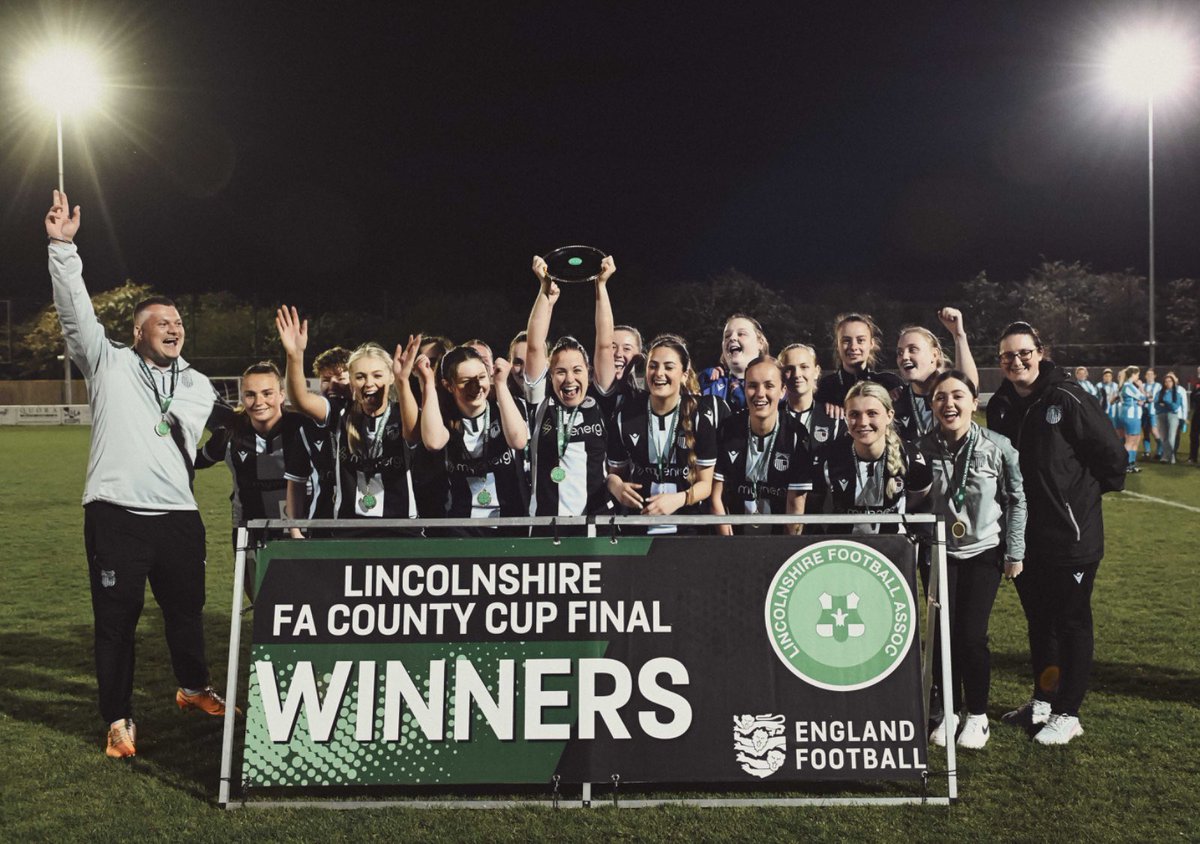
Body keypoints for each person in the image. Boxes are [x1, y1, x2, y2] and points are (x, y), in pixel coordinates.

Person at [45, 190, 233, 759]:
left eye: (178, 322)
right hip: (116, 515)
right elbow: (76, 315)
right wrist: (62, 249)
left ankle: (193, 688)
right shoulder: (108, 364)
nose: (174, 329)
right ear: (139, 331)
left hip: (179, 516)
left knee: (185, 614)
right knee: (116, 624)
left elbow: (210, 442)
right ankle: (119, 721)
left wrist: (220, 450)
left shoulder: (198, 384)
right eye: (162, 323)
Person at [986, 321, 1125, 745]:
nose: (1017, 361)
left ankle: (1069, 712)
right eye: (1008, 355)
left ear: (1040, 352)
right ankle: (1044, 699)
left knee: (1071, 623)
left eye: (1024, 352)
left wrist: (1075, 500)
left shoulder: (1067, 396)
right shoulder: (1001, 405)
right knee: (1039, 622)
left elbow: (1113, 460)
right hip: (1025, 538)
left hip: (1071, 537)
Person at [919, 371, 1026, 750]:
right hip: (937, 553)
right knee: (941, 636)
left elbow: (1016, 500)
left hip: (983, 551)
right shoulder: (922, 448)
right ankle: (948, 711)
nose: (949, 403)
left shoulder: (998, 446)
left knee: (970, 635)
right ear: (932, 405)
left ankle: (977, 716)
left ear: (973, 401)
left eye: (958, 396)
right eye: (940, 397)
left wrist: (1015, 551)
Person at [277, 308, 422, 525]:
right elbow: (301, 400)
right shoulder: (340, 413)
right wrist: (294, 356)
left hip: (400, 528)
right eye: (360, 377)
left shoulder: (403, 412)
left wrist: (403, 382)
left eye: (377, 375)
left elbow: (413, 434)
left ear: (391, 377)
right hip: (349, 528)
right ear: (351, 382)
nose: (369, 383)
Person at [196, 362, 308, 597]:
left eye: (267, 393)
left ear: (281, 395)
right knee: (257, 594)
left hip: (300, 526)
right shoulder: (229, 432)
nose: (259, 402)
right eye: (250, 395)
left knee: (305, 592)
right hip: (248, 526)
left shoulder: (302, 428)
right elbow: (197, 461)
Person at [523, 254, 617, 523]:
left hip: (594, 524)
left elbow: (604, 344)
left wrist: (601, 287)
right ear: (550, 375)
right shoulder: (540, 403)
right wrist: (544, 291)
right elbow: (533, 345)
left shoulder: (600, 400)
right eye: (560, 371)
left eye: (577, 370)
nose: (569, 380)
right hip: (545, 525)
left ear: (588, 372)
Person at [606, 334, 719, 534]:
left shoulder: (700, 414)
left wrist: (678, 499)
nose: (659, 373)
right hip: (637, 528)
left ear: (684, 374)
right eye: (653, 366)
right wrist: (617, 488)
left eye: (668, 367)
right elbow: (614, 476)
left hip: (688, 529)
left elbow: (705, 485)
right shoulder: (626, 415)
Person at [413, 346, 529, 529]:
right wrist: (428, 382)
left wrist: (499, 384)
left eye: (481, 377)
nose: (476, 387)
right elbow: (434, 443)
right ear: (448, 385)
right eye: (466, 381)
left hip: (509, 523)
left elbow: (518, 441)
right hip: (461, 527)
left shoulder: (505, 407)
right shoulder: (444, 417)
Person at [812, 380, 931, 536]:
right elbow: (815, 505)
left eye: (872, 413)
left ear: (889, 416)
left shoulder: (910, 457)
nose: (863, 422)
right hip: (842, 549)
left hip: (892, 547)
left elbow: (919, 496)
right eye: (854, 414)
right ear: (846, 418)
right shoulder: (829, 456)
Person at [711, 356, 810, 535]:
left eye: (769, 386)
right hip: (733, 538)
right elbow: (716, 496)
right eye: (752, 385)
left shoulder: (797, 434)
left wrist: (786, 552)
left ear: (783, 391)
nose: (760, 393)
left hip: (779, 541)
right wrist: (727, 545)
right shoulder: (729, 428)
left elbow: (795, 504)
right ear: (744, 388)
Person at [283, 346, 351, 535]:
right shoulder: (308, 428)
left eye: (341, 377)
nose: (332, 385)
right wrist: (295, 529)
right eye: (325, 380)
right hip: (320, 525)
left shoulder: (367, 418)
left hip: (361, 525)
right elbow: (296, 482)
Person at [892, 308, 979, 443]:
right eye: (899, 352)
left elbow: (969, 387)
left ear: (934, 355)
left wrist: (959, 336)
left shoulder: (951, 394)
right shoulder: (897, 399)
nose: (904, 357)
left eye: (912, 349)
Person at [814, 312, 904, 417]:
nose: (853, 347)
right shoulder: (825, 388)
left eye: (860, 340)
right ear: (837, 345)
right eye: (846, 341)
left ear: (871, 343)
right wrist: (822, 409)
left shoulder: (889, 383)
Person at [700, 314, 769, 411]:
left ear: (760, 343)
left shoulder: (778, 386)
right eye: (727, 336)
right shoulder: (709, 384)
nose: (732, 338)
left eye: (741, 334)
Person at [1116, 365, 1145, 473]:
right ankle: (1124, 464)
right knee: (1129, 441)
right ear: (1133, 374)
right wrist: (1141, 387)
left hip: (1133, 416)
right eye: (1137, 374)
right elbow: (1143, 397)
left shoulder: (1127, 386)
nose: (1138, 377)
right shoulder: (1128, 386)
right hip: (1131, 416)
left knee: (1135, 440)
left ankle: (1131, 464)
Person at [1155, 371, 1186, 464]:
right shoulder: (1159, 392)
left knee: (1171, 437)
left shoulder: (1177, 393)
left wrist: (1165, 403)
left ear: (1173, 382)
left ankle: (1172, 457)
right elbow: (1156, 405)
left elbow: (1175, 407)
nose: (1168, 383)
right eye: (1166, 381)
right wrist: (1167, 404)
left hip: (1173, 416)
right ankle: (1165, 456)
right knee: (1163, 437)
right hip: (1161, 416)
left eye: (1170, 381)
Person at [1141, 368, 1161, 460]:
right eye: (1147, 375)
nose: (1149, 376)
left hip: (1153, 412)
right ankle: (1147, 451)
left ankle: (1160, 450)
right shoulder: (1142, 385)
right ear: (1145, 376)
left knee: (1154, 431)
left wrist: (1147, 398)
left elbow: (1154, 399)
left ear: (1154, 376)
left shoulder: (1158, 386)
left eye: (1151, 374)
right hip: (1143, 412)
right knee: (1145, 432)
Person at [1097, 368, 1120, 433]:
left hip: (1113, 411)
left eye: (1109, 376)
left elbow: (1118, 398)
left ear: (1112, 377)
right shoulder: (1099, 385)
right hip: (1102, 410)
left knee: (1113, 428)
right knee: (1103, 428)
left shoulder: (1115, 385)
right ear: (1103, 377)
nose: (1108, 377)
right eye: (1106, 376)